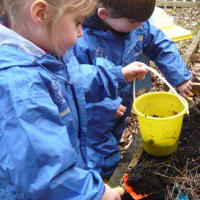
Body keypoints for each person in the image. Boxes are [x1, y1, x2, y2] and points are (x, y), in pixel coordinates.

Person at [0, 0, 149, 199]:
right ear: (41, 13)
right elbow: (48, 176)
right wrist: (92, 193)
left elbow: (74, 79)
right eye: (78, 23)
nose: (80, 34)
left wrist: (117, 75)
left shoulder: (47, 53)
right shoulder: (22, 90)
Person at [74, 0, 193, 179]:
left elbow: (161, 45)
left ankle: (109, 173)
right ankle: (102, 182)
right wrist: (106, 106)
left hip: (120, 106)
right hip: (92, 115)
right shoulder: (81, 39)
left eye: (144, 21)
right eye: (134, 22)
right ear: (103, 14)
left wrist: (180, 78)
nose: (141, 26)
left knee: (112, 139)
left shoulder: (136, 25)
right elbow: (76, 82)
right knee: (96, 151)